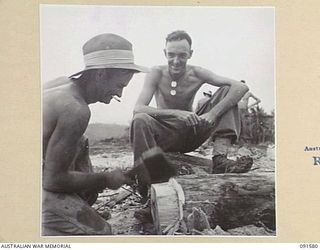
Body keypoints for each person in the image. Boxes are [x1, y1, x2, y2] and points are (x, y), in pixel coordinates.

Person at [42, 33, 148, 235]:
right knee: (102, 234)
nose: (119, 94)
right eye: (119, 86)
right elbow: (52, 180)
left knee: (81, 143)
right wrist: (105, 178)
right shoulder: (76, 109)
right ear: (100, 74)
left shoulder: (60, 84)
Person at [130, 30, 248, 198]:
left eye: (182, 56)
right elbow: (138, 108)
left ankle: (220, 158)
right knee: (140, 119)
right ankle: (144, 183)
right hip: (165, 136)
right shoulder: (155, 73)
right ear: (164, 53)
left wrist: (213, 114)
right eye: (171, 55)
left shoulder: (197, 72)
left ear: (190, 54)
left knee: (228, 91)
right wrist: (177, 113)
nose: (176, 61)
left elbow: (240, 87)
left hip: (190, 132)